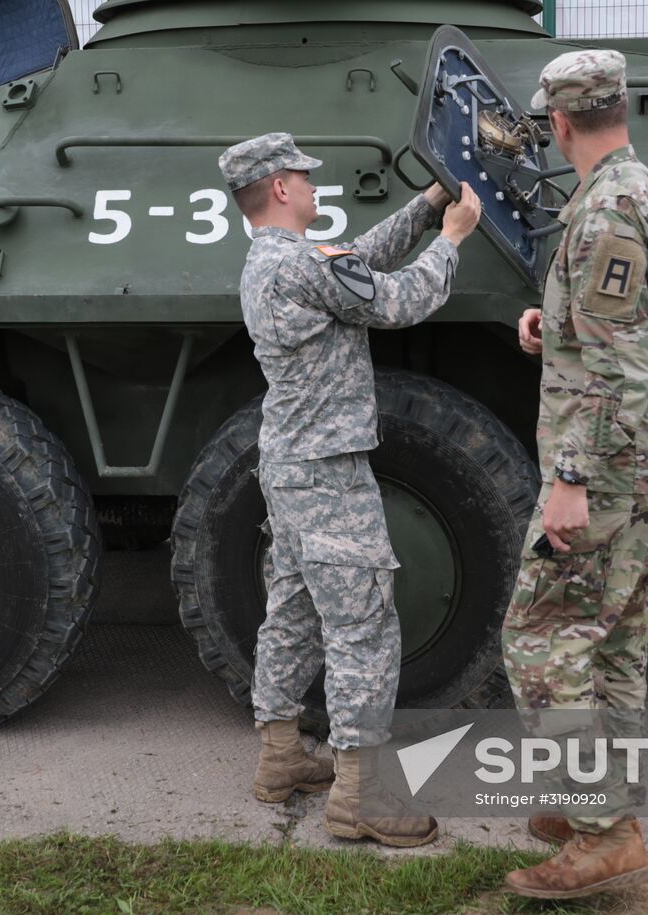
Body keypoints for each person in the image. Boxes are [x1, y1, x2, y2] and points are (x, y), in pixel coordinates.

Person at [218, 132, 481, 847]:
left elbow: (354, 263)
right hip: (328, 471)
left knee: (295, 608)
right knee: (363, 624)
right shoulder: (300, 265)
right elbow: (395, 300)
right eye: (303, 176)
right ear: (278, 187)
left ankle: (279, 759)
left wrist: (426, 204)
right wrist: (452, 238)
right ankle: (359, 797)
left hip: (290, 462)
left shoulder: (276, 262)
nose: (312, 185)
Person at [500, 50, 648, 899]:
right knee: (613, 636)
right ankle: (605, 804)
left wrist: (571, 478)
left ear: (560, 122)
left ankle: (601, 831)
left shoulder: (604, 212)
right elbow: (646, 327)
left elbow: (621, 376)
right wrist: (563, 323)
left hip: (609, 467)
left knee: (539, 638)